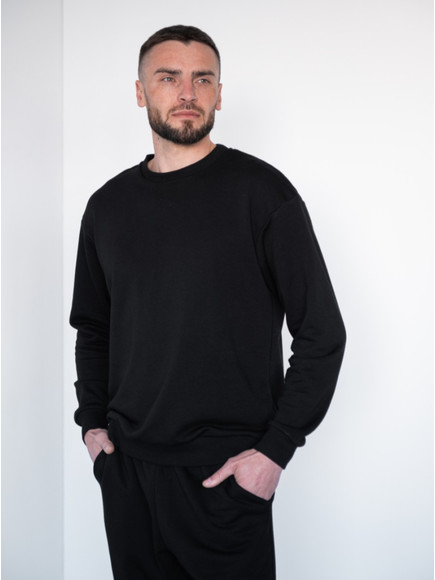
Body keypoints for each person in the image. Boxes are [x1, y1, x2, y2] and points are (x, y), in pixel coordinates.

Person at [70, 24, 346, 580]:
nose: (187, 93)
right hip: (128, 473)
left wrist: (274, 451)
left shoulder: (262, 193)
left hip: (224, 479)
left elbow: (322, 333)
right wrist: (93, 426)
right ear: (141, 92)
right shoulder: (107, 207)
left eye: (202, 79)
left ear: (219, 94)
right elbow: (94, 328)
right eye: (168, 78)